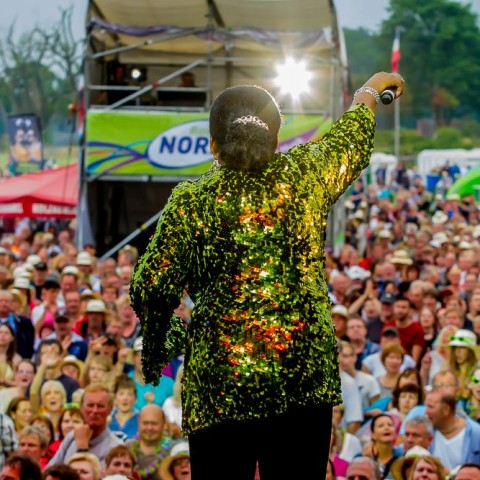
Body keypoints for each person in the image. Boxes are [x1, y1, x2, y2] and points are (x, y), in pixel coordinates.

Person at [130, 71, 405, 479]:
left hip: (218, 382)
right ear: (277, 141)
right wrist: (370, 89)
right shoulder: (306, 177)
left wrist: (164, 339)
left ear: (212, 145)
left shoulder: (191, 203)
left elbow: (151, 287)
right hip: (302, 380)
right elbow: (350, 139)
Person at [47, 384, 122, 468]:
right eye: (90, 405)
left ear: (110, 409)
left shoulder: (115, 448)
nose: (94, 411)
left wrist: (82, 449)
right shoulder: (71, 437)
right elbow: (49, 471)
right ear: (81, 408)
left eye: (100, 406)